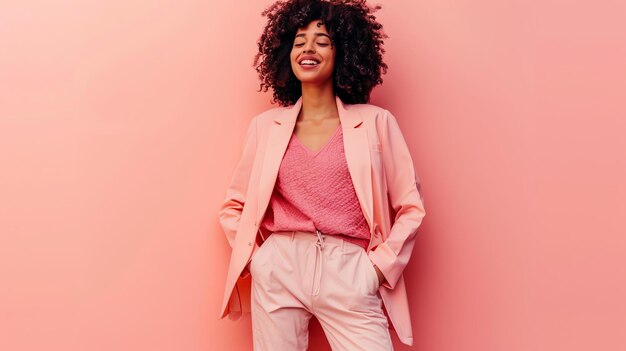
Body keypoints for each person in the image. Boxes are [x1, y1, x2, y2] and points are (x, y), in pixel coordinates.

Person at [217, 0, 426, 349]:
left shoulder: (376, 123)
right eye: (299, 42)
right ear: (286, 53)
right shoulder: (266, 127)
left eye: (322, 41)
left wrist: (376, 270)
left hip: (349, 267)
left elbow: (411, 207)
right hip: (279, 266)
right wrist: (260, 262)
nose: (308, 49)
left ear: (343, 52)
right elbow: (232, 206)